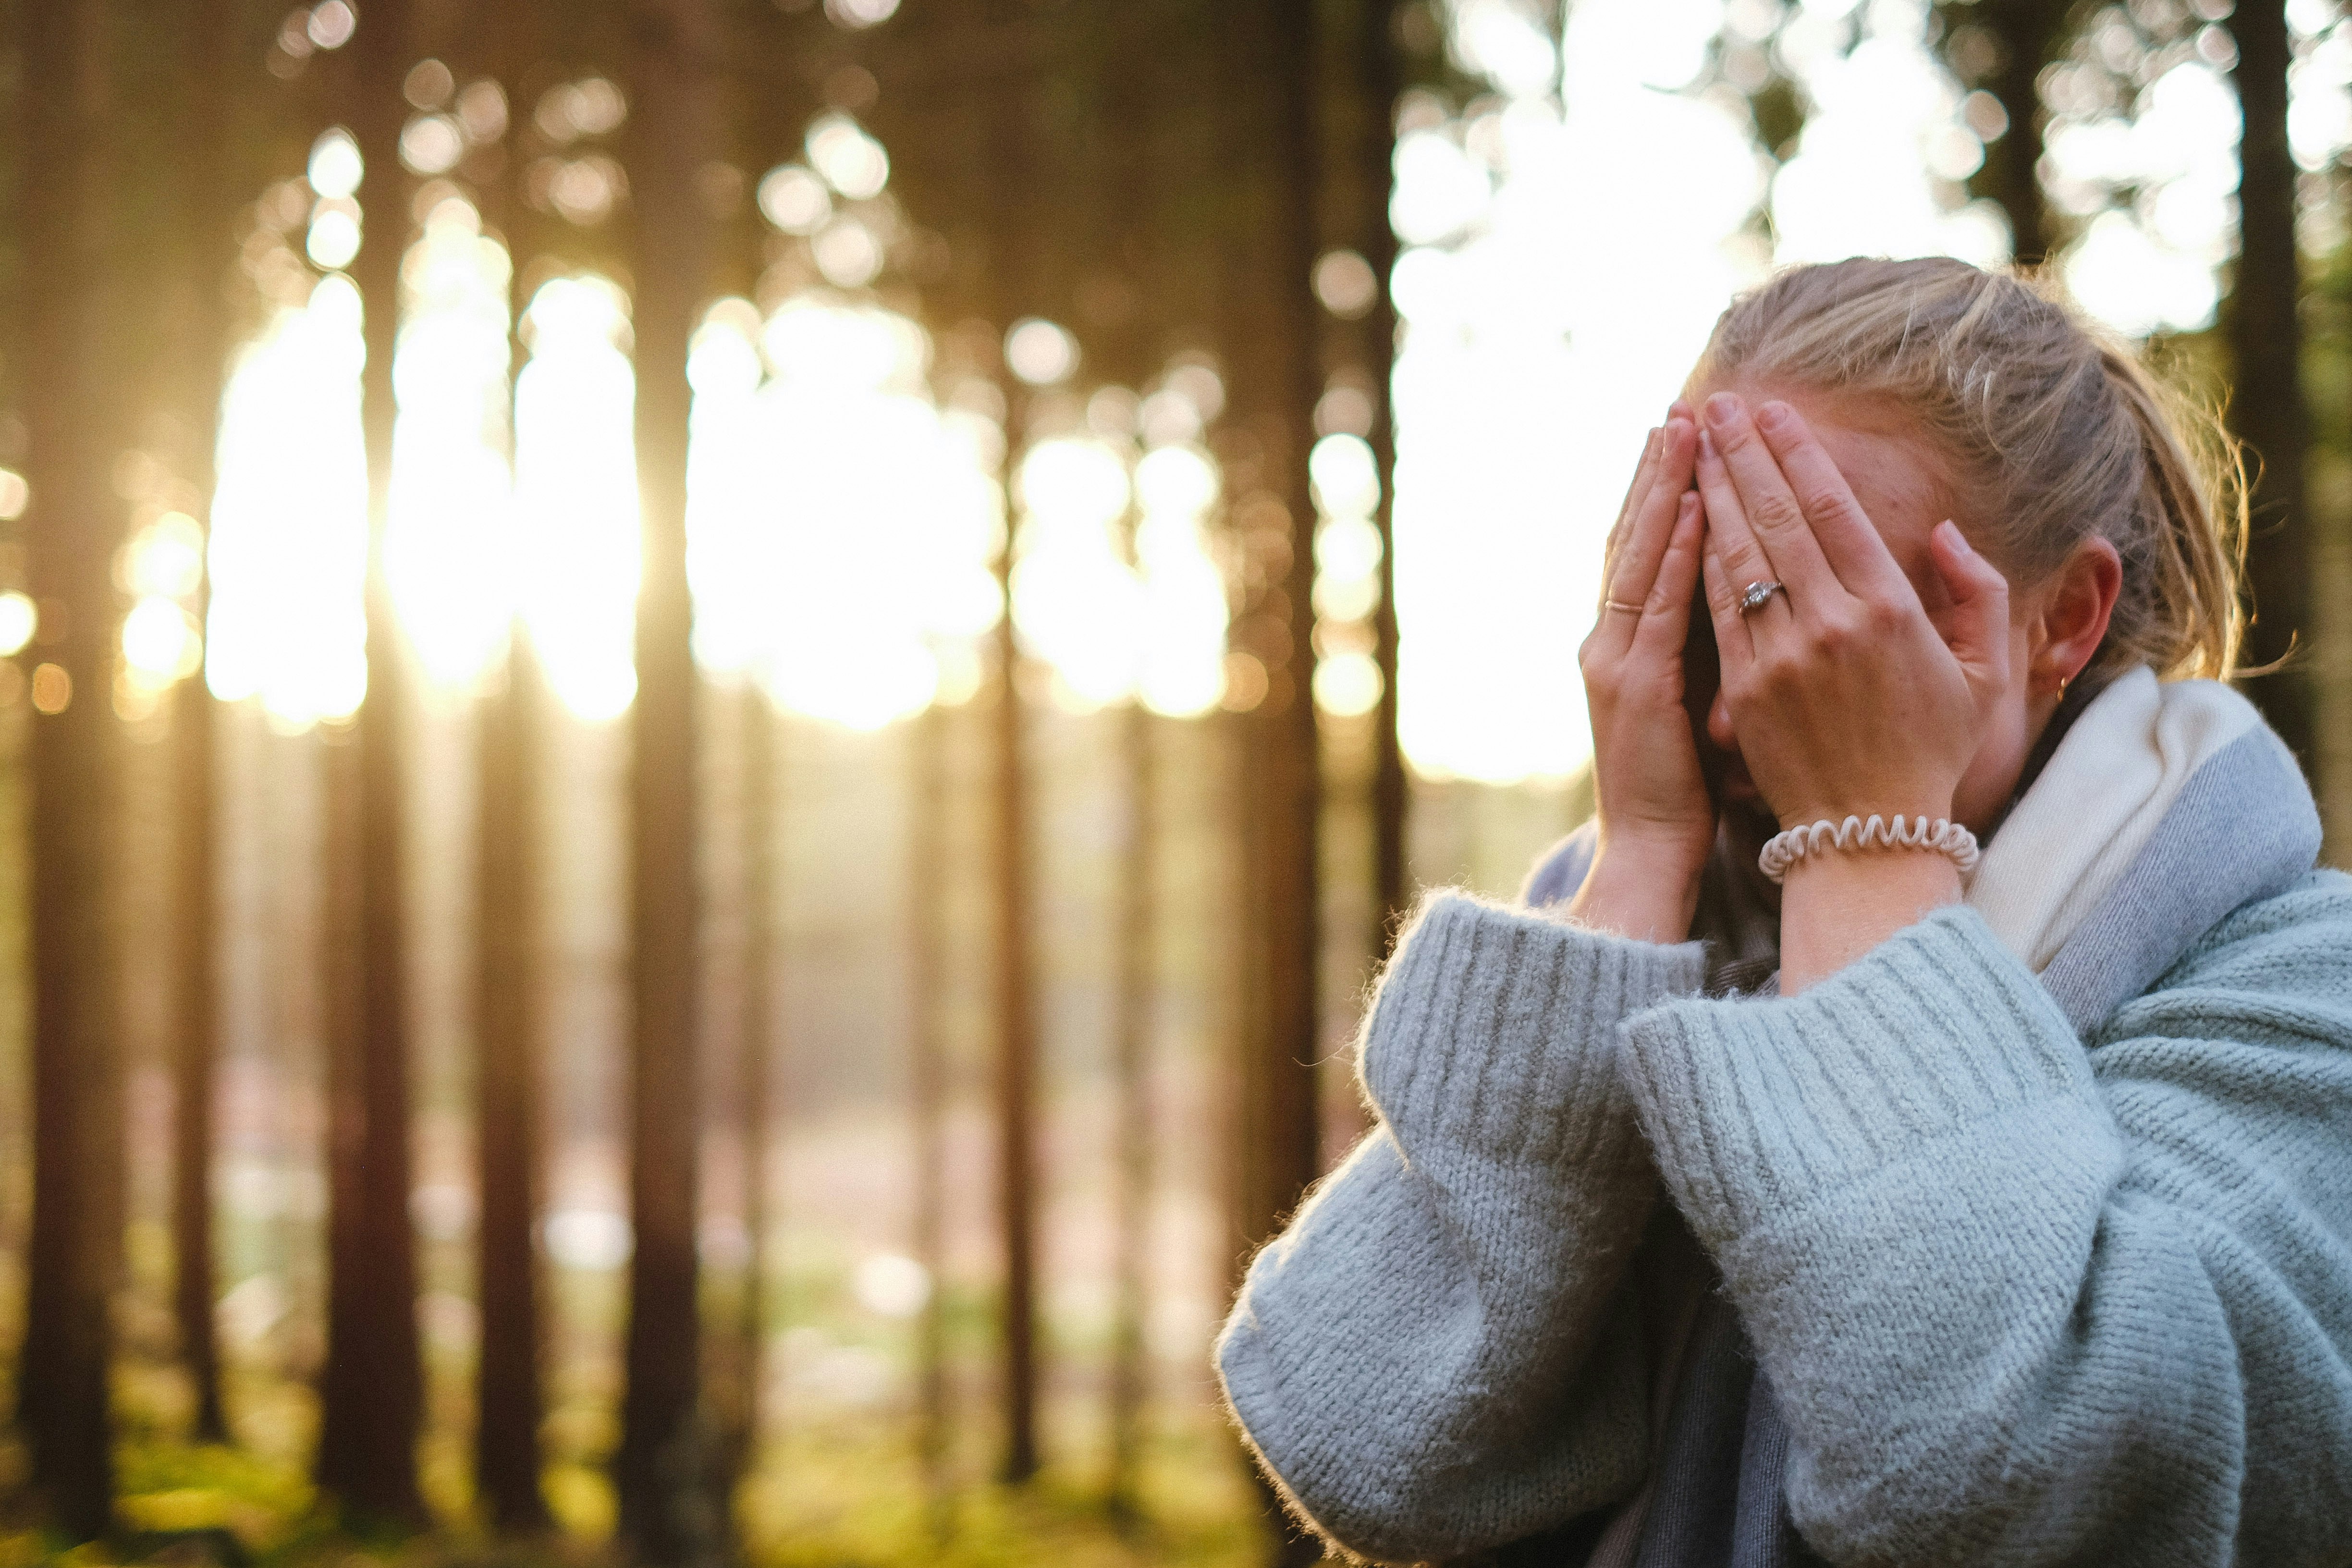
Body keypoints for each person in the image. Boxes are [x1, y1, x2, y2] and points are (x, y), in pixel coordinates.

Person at [1213, 257, 2352, 1568]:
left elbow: (2028, 1480)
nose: (1731, 707)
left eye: (1813, 611)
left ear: (2067, 618)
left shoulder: (2299, 993)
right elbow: (1370, 1453)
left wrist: (1869, 848)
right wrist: (1637, 861)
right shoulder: (1633, 949)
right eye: (1707, 609)